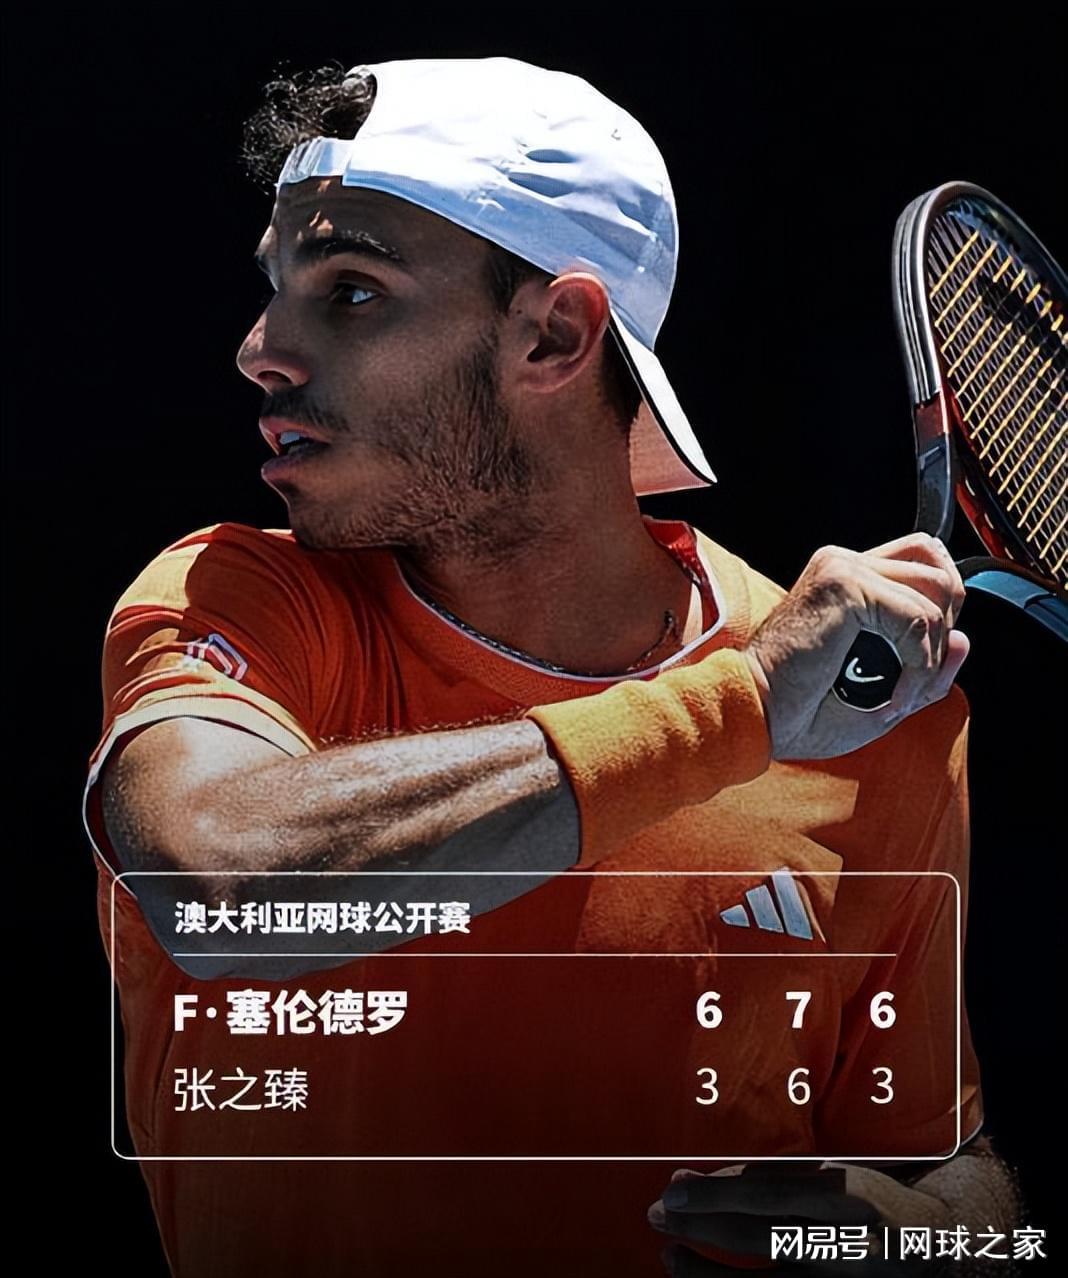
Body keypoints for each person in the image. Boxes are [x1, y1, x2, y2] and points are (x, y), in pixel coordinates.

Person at [85, 57, 1022, 1277]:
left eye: (352, 291)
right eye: (276, 289)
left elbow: (953, 1172)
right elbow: (222, 888)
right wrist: (739, 705)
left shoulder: (884, 721)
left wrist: (911, 1240)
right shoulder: (235, 599)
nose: (260, 349)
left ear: (556, 335)